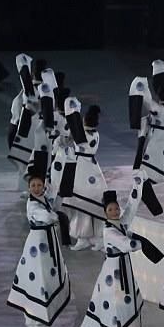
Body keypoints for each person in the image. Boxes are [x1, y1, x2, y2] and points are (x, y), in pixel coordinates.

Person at [79, 181, 163, 327]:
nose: (115, 211)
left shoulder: (120, 223)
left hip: (120, 268)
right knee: (115, 308)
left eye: (116, 208)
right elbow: (127, 244)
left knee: (111, 307)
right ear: (105, 213)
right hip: (114, 273)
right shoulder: (109, 231)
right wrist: (142, 243)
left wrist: (138, 185)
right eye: (111, 210)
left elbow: (131, 209)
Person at [7, 172, 71, 327]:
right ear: (29, 187)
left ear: (44, 186)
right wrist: (58, 217)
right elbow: (47, 216)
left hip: (49, 245)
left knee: (47, 282)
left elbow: (53, 206)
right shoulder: (32, 204)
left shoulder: (45, 200)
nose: (36, 188)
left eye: (39, 185)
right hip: (37, 247)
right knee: (39, 283)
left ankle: (37, 319)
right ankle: (36, 321)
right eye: (33, 185)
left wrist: (61, 195)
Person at [61, 100, 109, 251]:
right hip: (93, 169)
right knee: (95, 207)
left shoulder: (81, 135)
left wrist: (74, 107)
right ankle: (99, 239)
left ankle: (83, 238)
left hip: (82, 170)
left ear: (84, 120)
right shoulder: (96, 134)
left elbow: (69, 117)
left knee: (81, 205)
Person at [128, 76, 164, 184]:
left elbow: (147, 100)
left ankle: (151, 178)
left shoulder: (158, 109)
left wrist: (143, 86)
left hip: (157, 139)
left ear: (158, 96)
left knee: (154, 158)